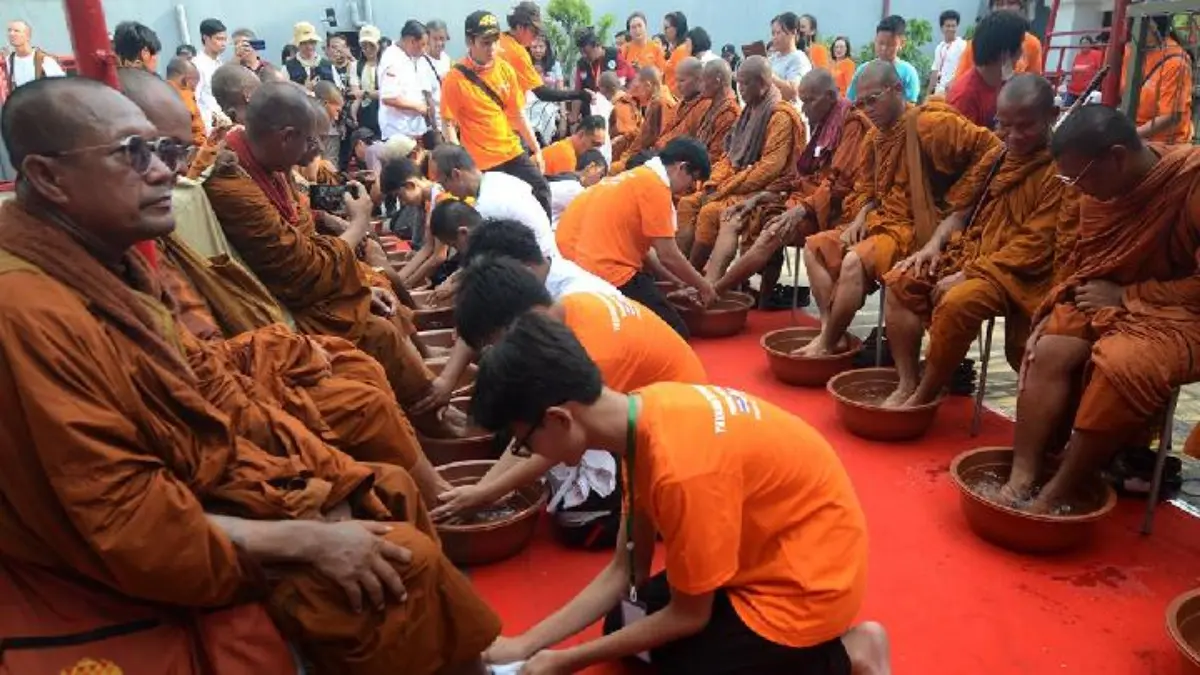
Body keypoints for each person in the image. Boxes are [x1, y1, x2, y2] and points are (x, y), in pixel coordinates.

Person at [0, 74, 501, 675]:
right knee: (403, 562)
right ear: (49, 177)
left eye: (168, 150)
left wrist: (317, 478)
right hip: (146, 541)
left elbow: (205, 379)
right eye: (134, 153)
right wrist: (305, 536)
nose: (165, 172)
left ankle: (464, 625)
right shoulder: (27, 314)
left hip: (212, 471)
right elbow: (125, 520)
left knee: (380, 482)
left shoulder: (112, 259)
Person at [470, 312, 890, 675]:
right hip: (753, 556)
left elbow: (690, 616)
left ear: (559, 419)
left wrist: (566, 661)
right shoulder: (640, 415)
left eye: (525, 442)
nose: (528, 454)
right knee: (624, 625)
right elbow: (625, 571)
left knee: (683, 664)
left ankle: (849, 653)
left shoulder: (682, 467)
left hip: (807, 587)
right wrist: (525, 644)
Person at [201, 83, 446, 431]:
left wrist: (333, 229)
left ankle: (429, 397)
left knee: (380, 299)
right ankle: (431, 418)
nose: (312, 150)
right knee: (379, 334)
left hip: (310, 286)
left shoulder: (267, 161)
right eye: (309, 140)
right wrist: (359, 224)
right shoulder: (233, 184)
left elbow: (300, 220)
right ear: (286, 137)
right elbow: (301, 269)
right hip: (284, 306)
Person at [1000, 104, 1200, 514]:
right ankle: (1023, 473)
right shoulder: (1097, 192)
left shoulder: (1190, 181)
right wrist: (1057, 305)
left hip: (1181, 313)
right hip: (1107, 298)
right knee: (1050, 348)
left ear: (1117, 158)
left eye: (1079, 178)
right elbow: (1085, 264)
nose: (1077, 190)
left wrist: (1127, 297)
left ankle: (1061, 490)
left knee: (1118, 365)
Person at [432, 255, 706, 524]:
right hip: (639, 411)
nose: (498, 351)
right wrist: (484, 488)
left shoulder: (595, 351)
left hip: (681, 440)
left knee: (578, 517)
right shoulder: (566, 307)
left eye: (495, 343)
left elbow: (560, 435)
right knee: (516, 428)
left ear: (514, 323)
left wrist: (485, 493)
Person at [883, 75, 1068, 408]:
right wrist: (932, 246)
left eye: (1024, 126)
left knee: (958, 302)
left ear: (1052, 116)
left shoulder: (1061, 170)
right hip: (970, 251)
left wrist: (969, 274)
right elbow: (960, 213)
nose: (1012, 135)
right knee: (901, 279)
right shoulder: (997, 156)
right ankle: (907, 381)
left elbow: (1035, 245)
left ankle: (926, 392)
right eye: (1004, 125)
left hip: (1016, 271)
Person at [800, 61, 999, 357]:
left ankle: (827, 344)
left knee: (853, 261)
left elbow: (991, 149)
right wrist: (861, 214)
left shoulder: (930, 124)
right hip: (880, 221)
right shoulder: (874, 138)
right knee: (815, 247)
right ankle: (830, 331)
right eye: (861, 103)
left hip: (917, 228)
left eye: (873, 100)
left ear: (897, 89)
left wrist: (958, 205)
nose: (868, 110)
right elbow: (866, 188)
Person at [710, 68, 872, 305]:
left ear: (830, 97)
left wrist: (801, 208)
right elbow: (804, 175)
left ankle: (715, 292)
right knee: (735, 216)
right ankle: (715, 285)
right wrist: (763, 195)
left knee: (772, 230)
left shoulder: (850, 124)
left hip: (831, 210)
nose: (804, 109)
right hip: (803, 198)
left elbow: (839, 185)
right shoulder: (823, 122)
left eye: (810, 101)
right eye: (802, 101)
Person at [557, 137, 717, 337]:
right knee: (675, 332)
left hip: (573, 267)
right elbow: (668, 254)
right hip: (607, 274)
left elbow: (647, 252)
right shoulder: (655, 186)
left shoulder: (633, 177)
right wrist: (704, 287)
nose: (689, 189)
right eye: (693, 181)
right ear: (682, 167)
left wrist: (679, 283)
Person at [676, 55, 808, 269]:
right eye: (739, 83)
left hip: (767, 189)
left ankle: (694, 275)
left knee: (710, 212)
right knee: (687, 203)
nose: (741, 89)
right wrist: (714, 181)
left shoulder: (780, 116)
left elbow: (770, 168)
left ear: (763, 84)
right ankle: (680, 270)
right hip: (735, 181)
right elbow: (730, 155)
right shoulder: (749, 112)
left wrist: (726, 188)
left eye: (746, 84)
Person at [440, 10, 552, 215]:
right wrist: (460, 163)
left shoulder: (505, 70)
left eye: (495, 41)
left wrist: (537, 150)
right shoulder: (454, 79)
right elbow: (448, 123)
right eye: (485, 43)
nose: (492, 48)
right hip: (480, 161)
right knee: (491, 211)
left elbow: (518, 114)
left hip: (512, 151)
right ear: (469, 41)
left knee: (541, 190)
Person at [500, 2, 592, 109]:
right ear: (520, 27)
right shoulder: (518, 53)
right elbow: (542, 93)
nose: (535, 36)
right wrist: (580, 94)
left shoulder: (497, 40)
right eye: (534, 31)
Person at [947, 10, 1028, 129]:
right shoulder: (964, 97)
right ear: (1005, 54)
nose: (1021, 52)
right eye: (1020, 46)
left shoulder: (1004, 84)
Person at [1122, 16, 1194, 144]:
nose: (1130, 30)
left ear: (1153, 27)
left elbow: (1170, 117)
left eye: (1135, 24)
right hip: (1130, 127)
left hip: (1164, 141)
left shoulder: (1176, 62)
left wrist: (1129, 136)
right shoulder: (1129, 51)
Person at [378, 20, 436, 144]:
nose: (424, 50)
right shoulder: (392, 58)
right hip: (398, 130)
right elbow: (389, 97)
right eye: (422, 45)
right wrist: (418, 106)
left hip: (414, 128)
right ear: (412, 41)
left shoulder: (409, 57)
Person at [611, 66, 677, 171]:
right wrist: (627, 136)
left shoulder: (658, 103)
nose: (635, 93)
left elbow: (646, 138)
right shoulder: (665, 96)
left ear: (648, 86)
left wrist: (624, 160)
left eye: (638, 87)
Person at [956, 0, 1044, 78]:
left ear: (1022, 7)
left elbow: (1034, 85)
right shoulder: (977, 43)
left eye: (1011, 3)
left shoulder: (1032, 44)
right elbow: (959, 82)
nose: (1005, 8)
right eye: (999, 4)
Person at [846, 16, 922, 103]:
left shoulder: (908, 73)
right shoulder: (863, 70)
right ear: (875, 40)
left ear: (902, 43)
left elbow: (910, 105)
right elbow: (850, 100)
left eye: (890, 44)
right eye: (880, 43)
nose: (884, 48)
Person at [693, 59, 741, 166]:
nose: (700, 86)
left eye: (703, 80)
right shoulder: (712, 104)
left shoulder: (730, 114)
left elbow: (716, 156)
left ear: (717, 82)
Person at [654, 57, 708, 148]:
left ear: (698, 79)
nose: (678, 85)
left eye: (682, 81)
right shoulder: (681, 103)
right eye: (677, 80)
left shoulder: (705, 106)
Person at [5, 20, 64, 90]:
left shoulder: (44, 60)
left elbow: (61, 85)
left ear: (28, 36)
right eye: (9, 30)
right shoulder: (9, 60)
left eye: (16, 31)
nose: (11, 34)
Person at [768, 12, 814, 103]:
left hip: (788, 109)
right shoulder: (772, 59)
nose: (774, 37)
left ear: (793, 32)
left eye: (778, 33)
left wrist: (767, 74)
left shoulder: (799, 59)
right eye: (773, 33)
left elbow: (793, 92)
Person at [543, 115, 608, 175]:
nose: (596, 149)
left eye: (600, 145)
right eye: (594, 143)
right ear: (581, 134)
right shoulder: (567, 154)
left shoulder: (565, 147)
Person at [193, 18, 227, 131]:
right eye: (219, 39)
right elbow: (195, 99)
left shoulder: (219, 63)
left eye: (225, 39)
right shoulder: (197, 65)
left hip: (224, 122)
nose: (223, 43)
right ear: (206, 38)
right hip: (208, 126)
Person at [576, 28, 636, 92]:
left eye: (587, 53)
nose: (584, 56)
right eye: (581, 52)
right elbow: (578, 90)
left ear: (597, 46)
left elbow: (631, 78)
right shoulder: (582, 64)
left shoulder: (614, 55)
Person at [285, 22, 340, 90]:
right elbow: (283, 93)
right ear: (298, 44)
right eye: (304, 43)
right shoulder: (288, 68)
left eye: (312, 42)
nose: (309, 47)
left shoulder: (328, 65)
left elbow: (338, 90)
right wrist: (304, 89)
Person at [165, 55, 206, 148]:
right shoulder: (185, 96)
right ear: (185, 80)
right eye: (193, 86)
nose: (194, 90)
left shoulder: (155, 92)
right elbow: (197, 134)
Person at [930, 10, 967, 96]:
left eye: (953, 26)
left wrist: (953, 82)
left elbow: (966, 69)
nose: (951, 29)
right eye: (948, 26)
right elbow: (935, 72)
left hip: (955, 92)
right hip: (938, 92)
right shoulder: (939, 47)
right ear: (942, 28)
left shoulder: (963, 45)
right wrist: (928, 94)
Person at [355, 25, 383, 135]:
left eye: (372, 45)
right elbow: (356, 92)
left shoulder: (385, 65)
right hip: (365, 114)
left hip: (383, 112)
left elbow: (387, 93)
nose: (368, 49)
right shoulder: (357, 66)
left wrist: (365, 93)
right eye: (364, 46)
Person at [1064, 35, 1104, 106]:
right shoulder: (1078, 55)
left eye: (1086, 43)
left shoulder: (1097, 54)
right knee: (1066, 109)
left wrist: (1095, 87)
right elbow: (1073, 72)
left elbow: (1100, 71)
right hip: (1072, 91)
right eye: (1082, 43)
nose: (1084, 45)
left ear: (1091, 44)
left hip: (1087, 92)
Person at [662, 12, 692, 96]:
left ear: (677, 28)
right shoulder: (674, 50)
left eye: (666, 28)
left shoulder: (681, 50)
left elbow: (681, 79)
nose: (664, 31)